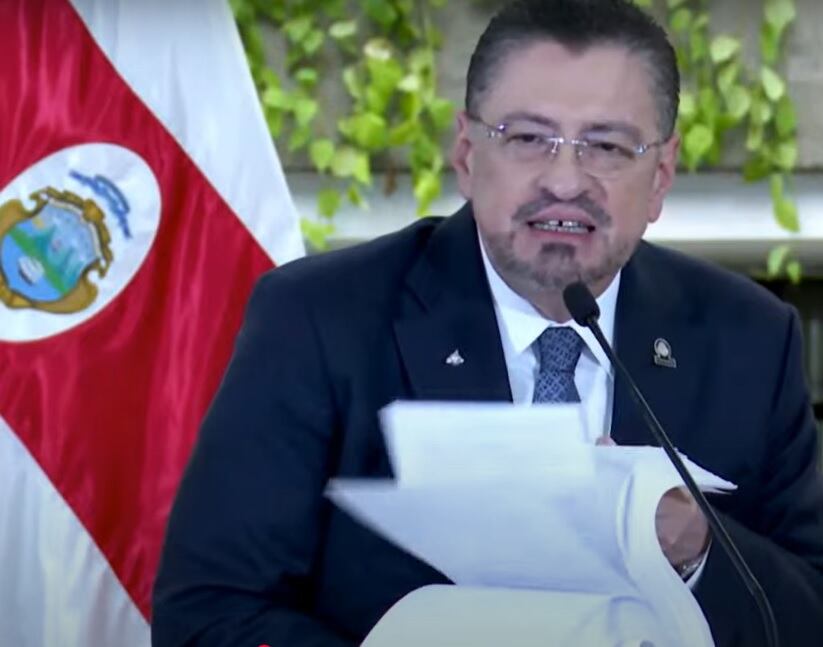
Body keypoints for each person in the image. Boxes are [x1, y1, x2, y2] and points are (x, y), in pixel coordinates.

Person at [152, 1, 823, 645]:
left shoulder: (748, 339)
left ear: (660, 176)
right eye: (528, 139)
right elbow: (208, 613)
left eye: (607, 146)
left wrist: (695, 547)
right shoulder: (318, 320)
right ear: (468, 154)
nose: (564, 180)